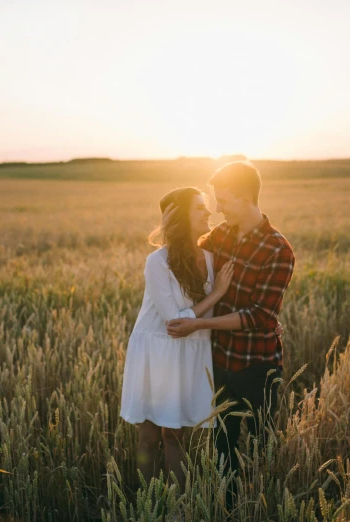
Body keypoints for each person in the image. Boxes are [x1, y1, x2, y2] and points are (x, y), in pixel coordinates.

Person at [166, 161, 296, 490]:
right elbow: (184, 250)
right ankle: (228, 509)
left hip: (257, 366)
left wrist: (199, 324)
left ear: (244, 197)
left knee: (262, 448)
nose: (218, 210)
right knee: (224, 449)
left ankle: (264, 506)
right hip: (220, 361)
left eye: (223, 201)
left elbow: (258, 316)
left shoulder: (279, 250)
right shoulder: (222, 235)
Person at [119, 187, 234, 490]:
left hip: (192, 350)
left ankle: (176, 507)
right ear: (180, 216)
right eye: (199, 208)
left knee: (176, 435)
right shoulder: (157, 261)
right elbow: (174, 320)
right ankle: (147, 503)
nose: (208, 213)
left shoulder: (211, 259)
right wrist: (218, 293)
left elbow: (191, 320)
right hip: (157, 351)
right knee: (148, 436)